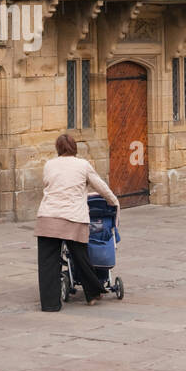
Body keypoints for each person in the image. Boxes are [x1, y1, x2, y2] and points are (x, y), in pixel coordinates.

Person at [35, 133, 119, 310]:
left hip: (48, 218)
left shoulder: (49, 165)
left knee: (47, 263)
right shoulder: (83, 165)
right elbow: (100, 186)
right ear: (74, 148)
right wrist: (114, 201)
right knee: (81, 257)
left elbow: (47, 184)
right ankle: (93, 293)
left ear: (58, 148)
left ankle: (50, 304)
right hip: (73, 218)